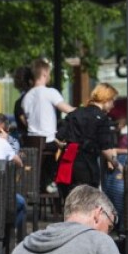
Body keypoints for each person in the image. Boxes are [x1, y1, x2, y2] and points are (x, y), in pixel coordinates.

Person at [21, 58, 75, 193]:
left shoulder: (26, 97)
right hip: (48, 143)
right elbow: (66, 109)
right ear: (44, 73)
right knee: (67, 150)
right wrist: (83, 110)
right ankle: (53, 182)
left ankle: (40, 183)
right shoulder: (50, 92)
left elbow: (27, 119)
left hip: (31, 142)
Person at [58, 83, 119, 193]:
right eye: (112, 101)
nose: (113, 105)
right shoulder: (102, 119)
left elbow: (58, 137)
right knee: (87, 201)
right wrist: (118, 166)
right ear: (106, 99)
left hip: (67, 163)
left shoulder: (76, 113)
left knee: (70, 200)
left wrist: (67, 146)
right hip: (87, 166)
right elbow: (106, 149)